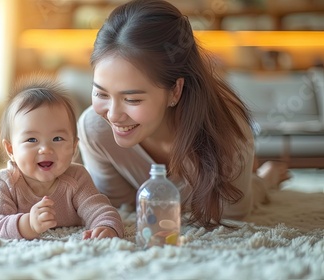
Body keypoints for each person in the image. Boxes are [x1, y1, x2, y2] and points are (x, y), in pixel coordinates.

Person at [77, 0, 291, 229]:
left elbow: (230, 213)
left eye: (132, 99)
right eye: (101, 93)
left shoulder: (227, 132)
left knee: (241, 196)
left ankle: (265, 178)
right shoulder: (95, 129)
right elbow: (121, 206)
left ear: (175, 91)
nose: (113, 115)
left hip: (234, 166)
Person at [0, 76, 124, 240]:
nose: (45, 149)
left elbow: (98, 208)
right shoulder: (5, 182)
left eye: (57, 139)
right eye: (32, 140)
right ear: (11, 149)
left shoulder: (77, 177)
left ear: (74, 147)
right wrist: (27, 224)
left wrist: (106, 226)